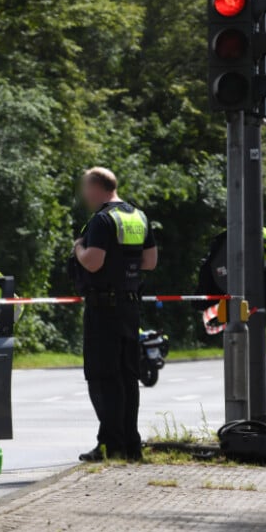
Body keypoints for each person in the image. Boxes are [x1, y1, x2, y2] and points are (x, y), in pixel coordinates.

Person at [72, 167, 157, 462]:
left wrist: (78, 248)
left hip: (103, 308)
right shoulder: (138, 216)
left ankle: (110, 445)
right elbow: (149, 261)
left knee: (103, 377)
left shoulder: (102, 219)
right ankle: (130, 444)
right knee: (126, 376)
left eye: (85, 188)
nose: (84, 195)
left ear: (96, 188)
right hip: (130, 305)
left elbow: (93, 263)